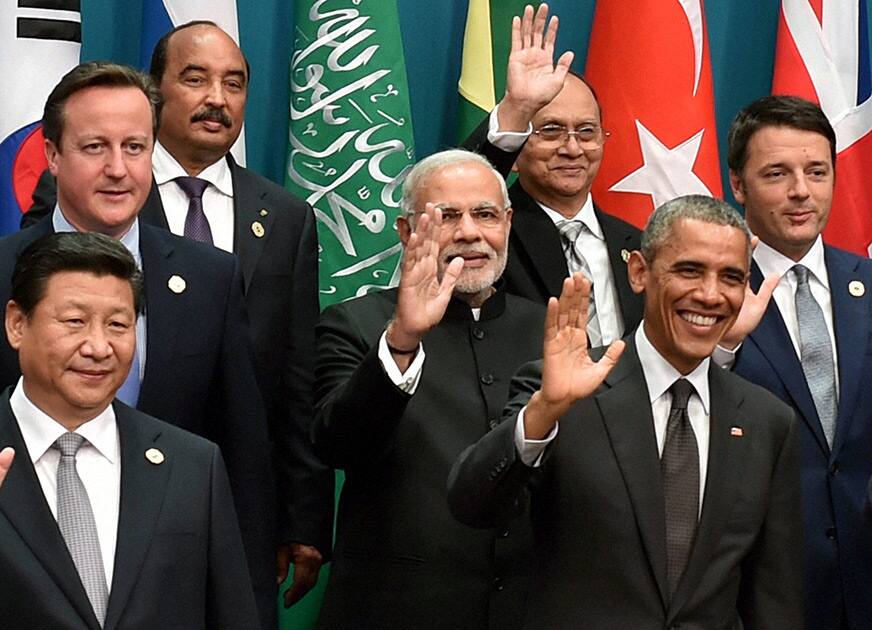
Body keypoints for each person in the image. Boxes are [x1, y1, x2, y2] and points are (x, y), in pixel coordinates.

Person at [0, 61, 277, 624]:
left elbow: (241, 453)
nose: (118, 170)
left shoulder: (210, 278)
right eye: (95, 147)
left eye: (135, 147)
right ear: (53, 156)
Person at [24, 21, 330, 607]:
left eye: (234, 83)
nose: (217, 98)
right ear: (157, 93)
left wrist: (302, 517)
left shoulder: (288, 217)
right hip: (75, 487)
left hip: (216, 504)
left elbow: (294, 378)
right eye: (196, 79)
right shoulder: (95, 191)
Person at [449, 195, 804, 628]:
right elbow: (472, 507)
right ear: (639, 272)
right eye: (689, 270)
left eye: (730, 277)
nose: (710, 295)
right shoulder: (564, 391)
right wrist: (545, 411)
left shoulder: (767, 422)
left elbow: (775, 599)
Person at [0, 232, 259, 629]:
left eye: (118, 325)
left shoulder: (191, 464)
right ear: (17, 324)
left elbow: (232, 615)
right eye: (75, 322)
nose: (98, 346)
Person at [312, 146, 555, 628]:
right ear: (407, 232)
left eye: (485, 214)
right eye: (447, 216)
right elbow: (338, 445)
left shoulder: (550, 332)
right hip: (397, 611)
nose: (469, 232)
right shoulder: (356, 324)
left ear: (507, 223)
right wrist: (402, 340)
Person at [717, 95, 872, 630]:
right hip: (765, 588)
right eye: (777, 173)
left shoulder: (868, 285)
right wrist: (725, 346)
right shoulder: (709, 292)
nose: (801, 191)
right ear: (738, 185)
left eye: (816, 171)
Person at [462, 5, 642, 344]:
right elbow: (453, 194)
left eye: (586, 132)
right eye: (551, 130)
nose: (572, 148)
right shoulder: (488, 234)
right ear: (515, 153)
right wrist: (517, 109)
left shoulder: (641, 245)